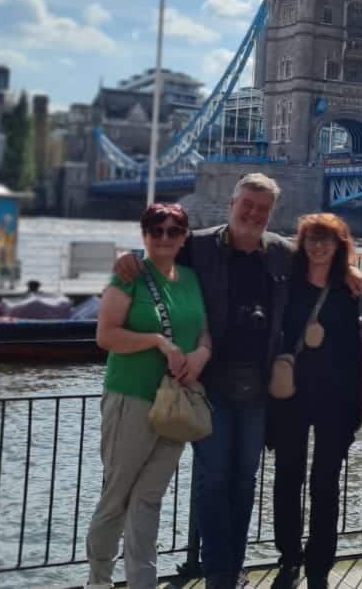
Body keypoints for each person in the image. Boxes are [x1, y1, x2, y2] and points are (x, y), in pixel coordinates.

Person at [111, 175, 362, 589]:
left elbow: (322, 262)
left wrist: (349, 267)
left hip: (261, 387)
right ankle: (217, 572)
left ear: (271, 213)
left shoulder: (281, 253)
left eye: (262, 208)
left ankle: (236, 566)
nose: (253, 214)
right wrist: (129, 259)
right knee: (213, 478)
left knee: (245, 480)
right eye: (247, 204)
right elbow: (159, 256)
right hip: (210, 384)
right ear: (231, 204)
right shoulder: (198, 246)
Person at [87, 203, 209, 589]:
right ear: (144, 235)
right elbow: (106, 335)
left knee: (149, 499)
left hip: (176, 403)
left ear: (185, 237)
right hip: (132, 397)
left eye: (174, 231)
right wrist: (158, 342)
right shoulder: (130, 275)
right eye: (157, 230)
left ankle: (143, 582)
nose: (165, 237)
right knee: (117, 496)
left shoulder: (191, 277)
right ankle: (99, 580)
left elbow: (203, 331)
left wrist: (201, 355)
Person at [268, 213, 362, 589]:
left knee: (326, 482)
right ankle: (289, 558)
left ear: (340, 246)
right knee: (287, 479)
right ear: (302, 243)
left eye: (327, 240)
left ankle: (319, 564)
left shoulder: (349, 290)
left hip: (335, 397)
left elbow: (357, 349)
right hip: (290, 396)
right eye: (312, 239)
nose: (319, 246)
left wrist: (358, 400)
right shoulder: (287, 284)